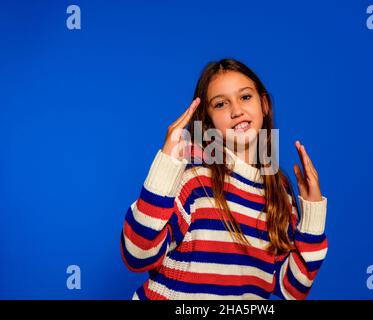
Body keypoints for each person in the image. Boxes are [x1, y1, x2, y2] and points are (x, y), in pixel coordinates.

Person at [120, 58, 328, 300]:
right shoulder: (193, 178)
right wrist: (165, 167)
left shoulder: (279, 192)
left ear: (264, 104)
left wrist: (312, 215)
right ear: (207, 121)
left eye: (245, 97)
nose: (236, 110)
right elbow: (137, 255)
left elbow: (292, 290)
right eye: (220, 104)